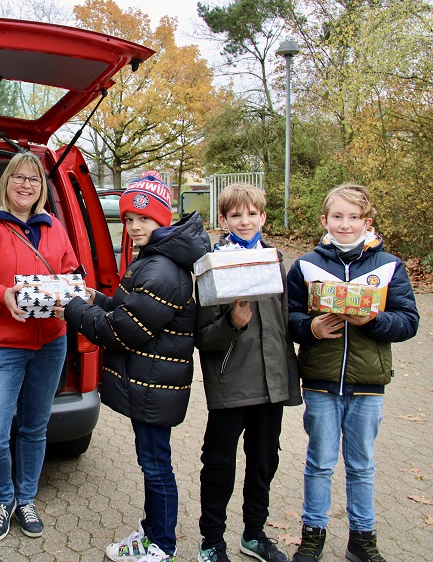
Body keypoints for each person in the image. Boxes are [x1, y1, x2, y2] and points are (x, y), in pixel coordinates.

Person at [63, 171, 211, 562]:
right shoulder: (157, 259)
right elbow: (129, 310)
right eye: (129, 219)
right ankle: (152, 534)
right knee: (154, 461)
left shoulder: (160, 269)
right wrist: (93, 296)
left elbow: (122, 332)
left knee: (156, 465)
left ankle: (161, 546)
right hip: (151, 381)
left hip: (153, 384)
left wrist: (71, 307)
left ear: (163, 219)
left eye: (143, 218)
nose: (134, 226)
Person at [286, 183, 419, 562]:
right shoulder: (307, 264)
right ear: (324, 220)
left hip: (368, 383)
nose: (346, 225)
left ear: (367, 222)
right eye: (338, 217)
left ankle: (362, 538)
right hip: (320, 381)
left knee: (361, 465)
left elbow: (408, 321)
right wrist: (310, 328)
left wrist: (372, 320)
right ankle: (313, 534)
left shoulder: (388, 265)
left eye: (354, 217)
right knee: (320, 462)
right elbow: (289, 317)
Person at [0, 151, 79, 542]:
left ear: (42, 189)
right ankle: (2, 499)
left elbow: (73, 271)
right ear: (5, 183)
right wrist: (2, 294)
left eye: (34, 180)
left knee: (33, 427)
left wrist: (74, 292)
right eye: (18, 178)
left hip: (50, 343)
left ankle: (26, 499)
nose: (26, 185)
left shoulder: (54, 227)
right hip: (1, 345)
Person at [194, 183, 301, 562]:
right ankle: (212, 541)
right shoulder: (212, 264)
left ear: (263, 217)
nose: (244, 221)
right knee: (219, 463)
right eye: (236, 215)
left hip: (272, 382)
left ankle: (253, 534)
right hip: (231, 382)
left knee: (263, 461)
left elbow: (286, 322)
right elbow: (203, 336)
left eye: (251, 214)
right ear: (223, 219)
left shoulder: (276, 260)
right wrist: (233, 324)